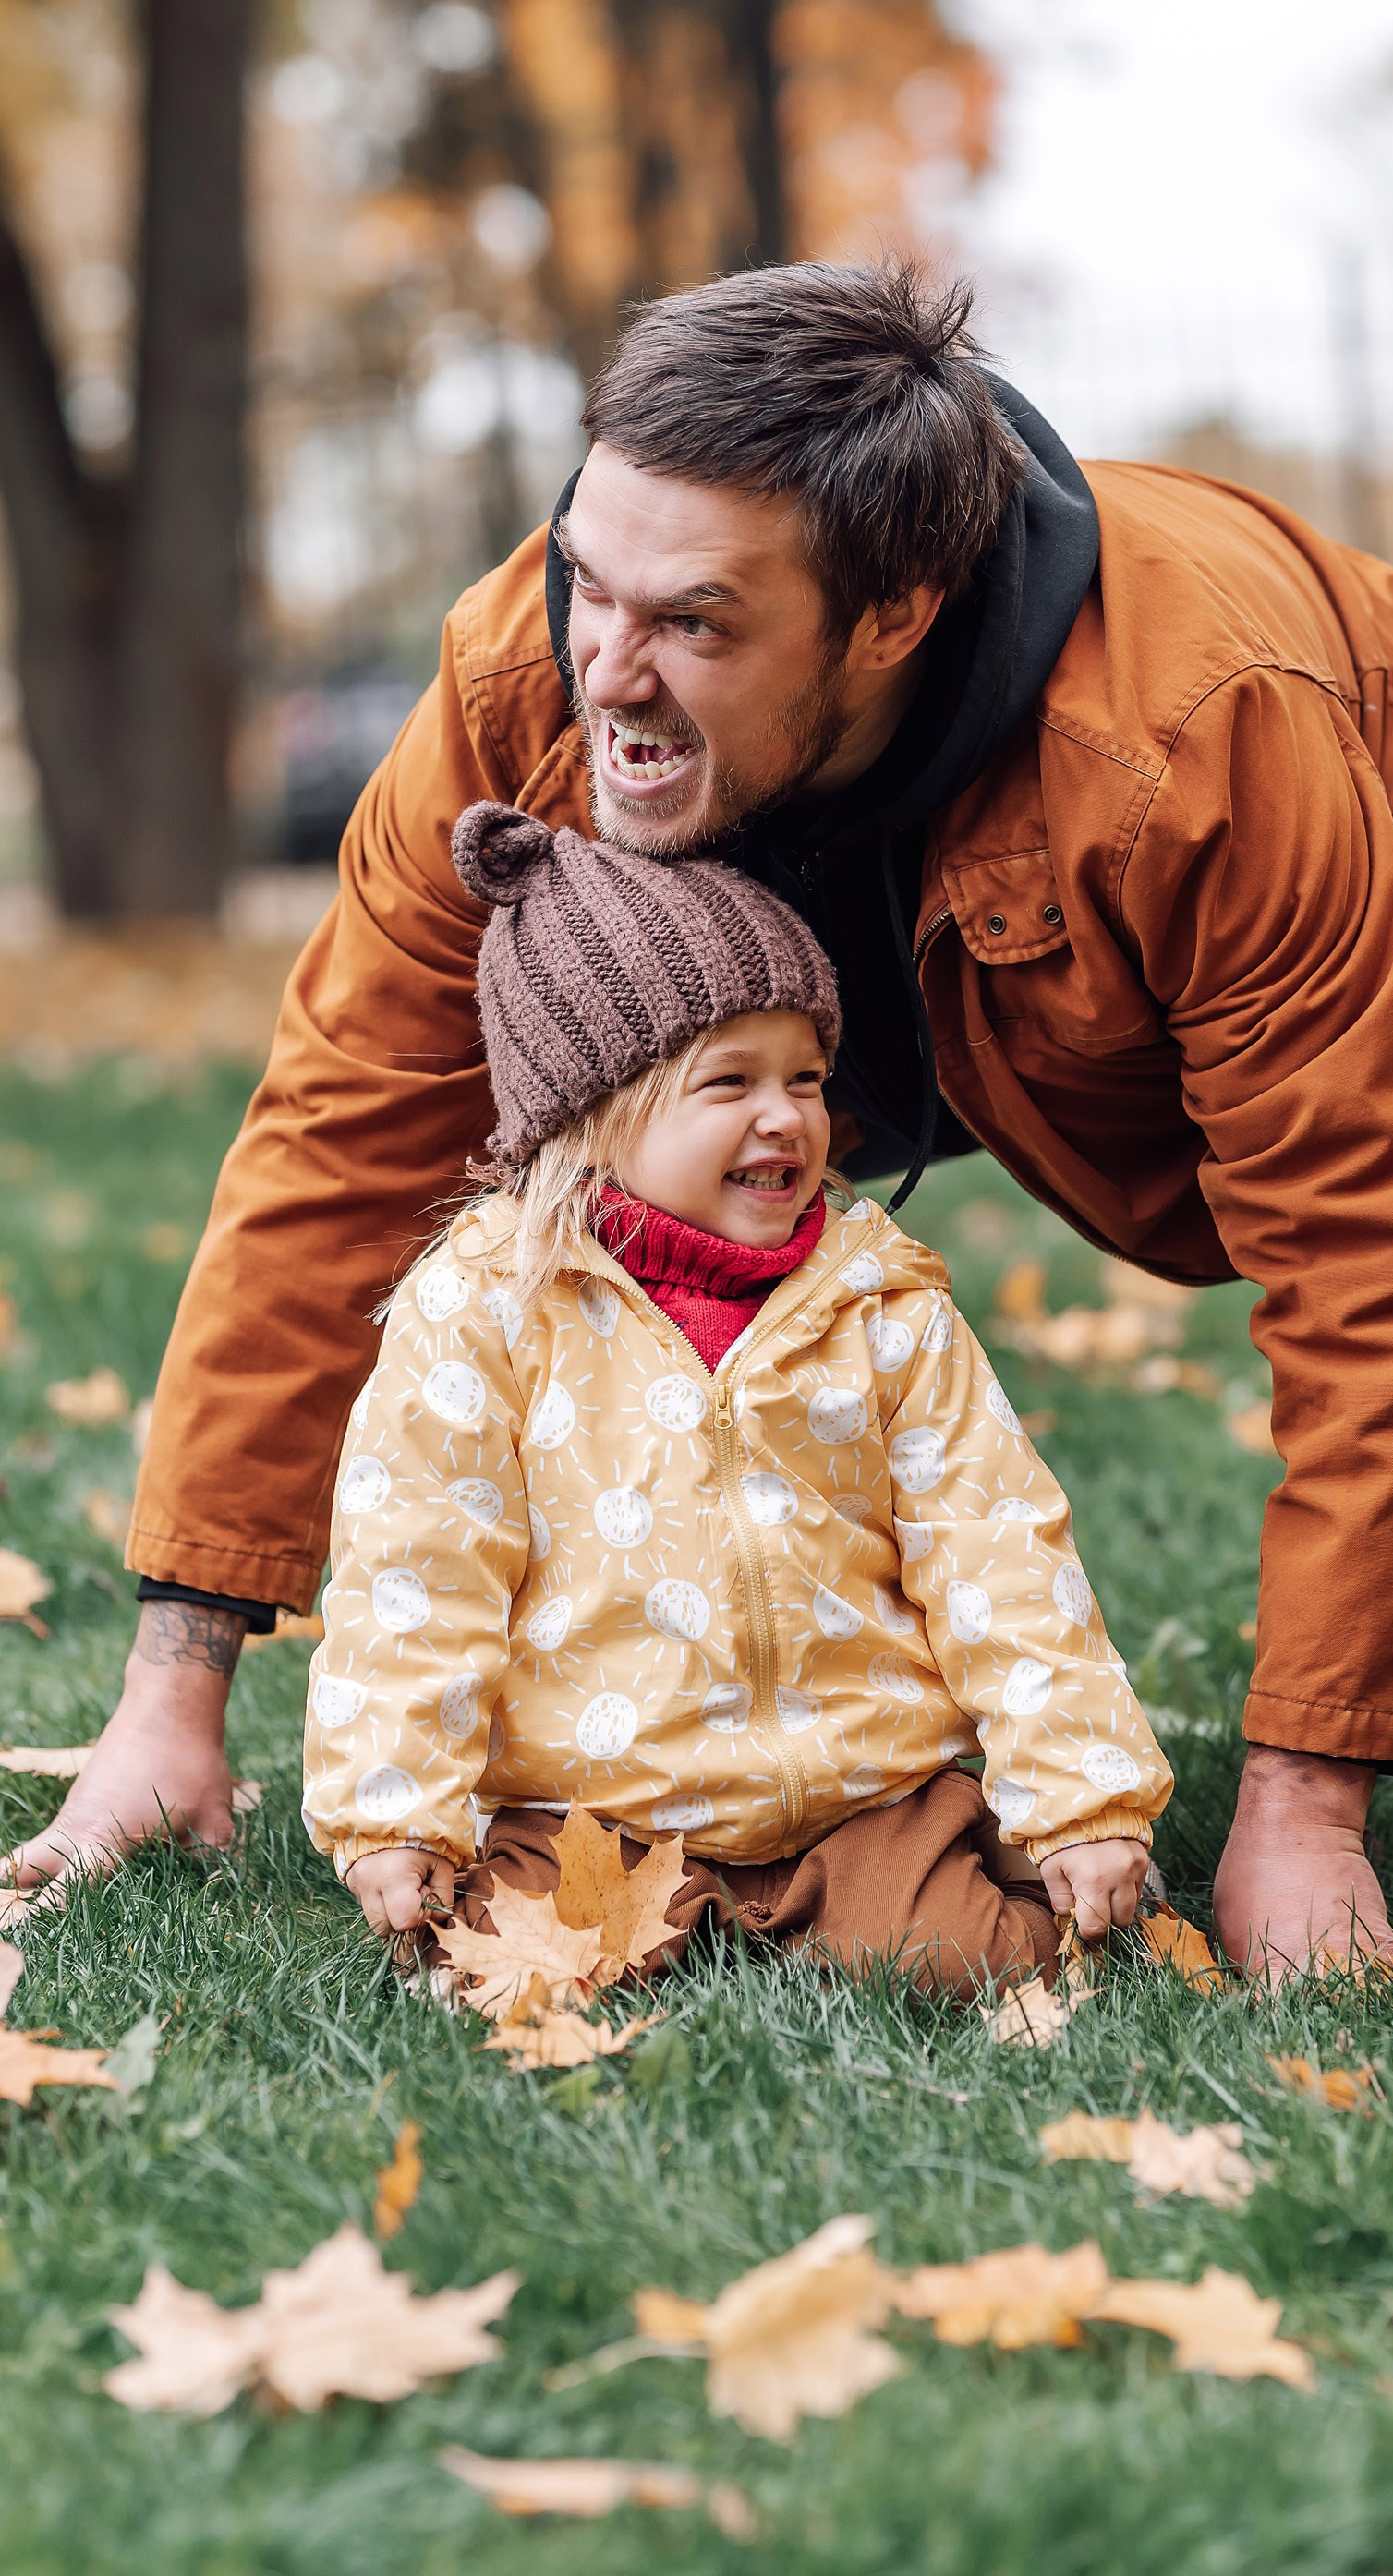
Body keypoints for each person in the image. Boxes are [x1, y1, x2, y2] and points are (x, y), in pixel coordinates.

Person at [10, 261, 1393, 1969]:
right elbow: (342, 1135)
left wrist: (1310, 1802)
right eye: (586, 575)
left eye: (696, 622)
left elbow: (1369, 1260)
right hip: (814, 995)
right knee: (508, 1214)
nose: (606, 665)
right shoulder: (530, 671)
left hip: (1275, 911)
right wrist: (172, 1691)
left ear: (890, 612)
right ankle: (690, 1705)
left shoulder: (1199, 723)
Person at [316, 799, 1169, 1991]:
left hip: (858, 1789)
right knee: (500, 1966)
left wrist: (1082, 1792)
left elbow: (998, 1546)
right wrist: (395, 1807)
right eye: (732, 1082)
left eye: (808, 1077)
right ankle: (539, 1905)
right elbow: (417, 1565)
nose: (789, 1116)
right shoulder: (489, 1310)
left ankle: (993, 1865)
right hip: (597, 1802)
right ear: (594, 1113)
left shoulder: (877, 1304)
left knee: (967, 1960)